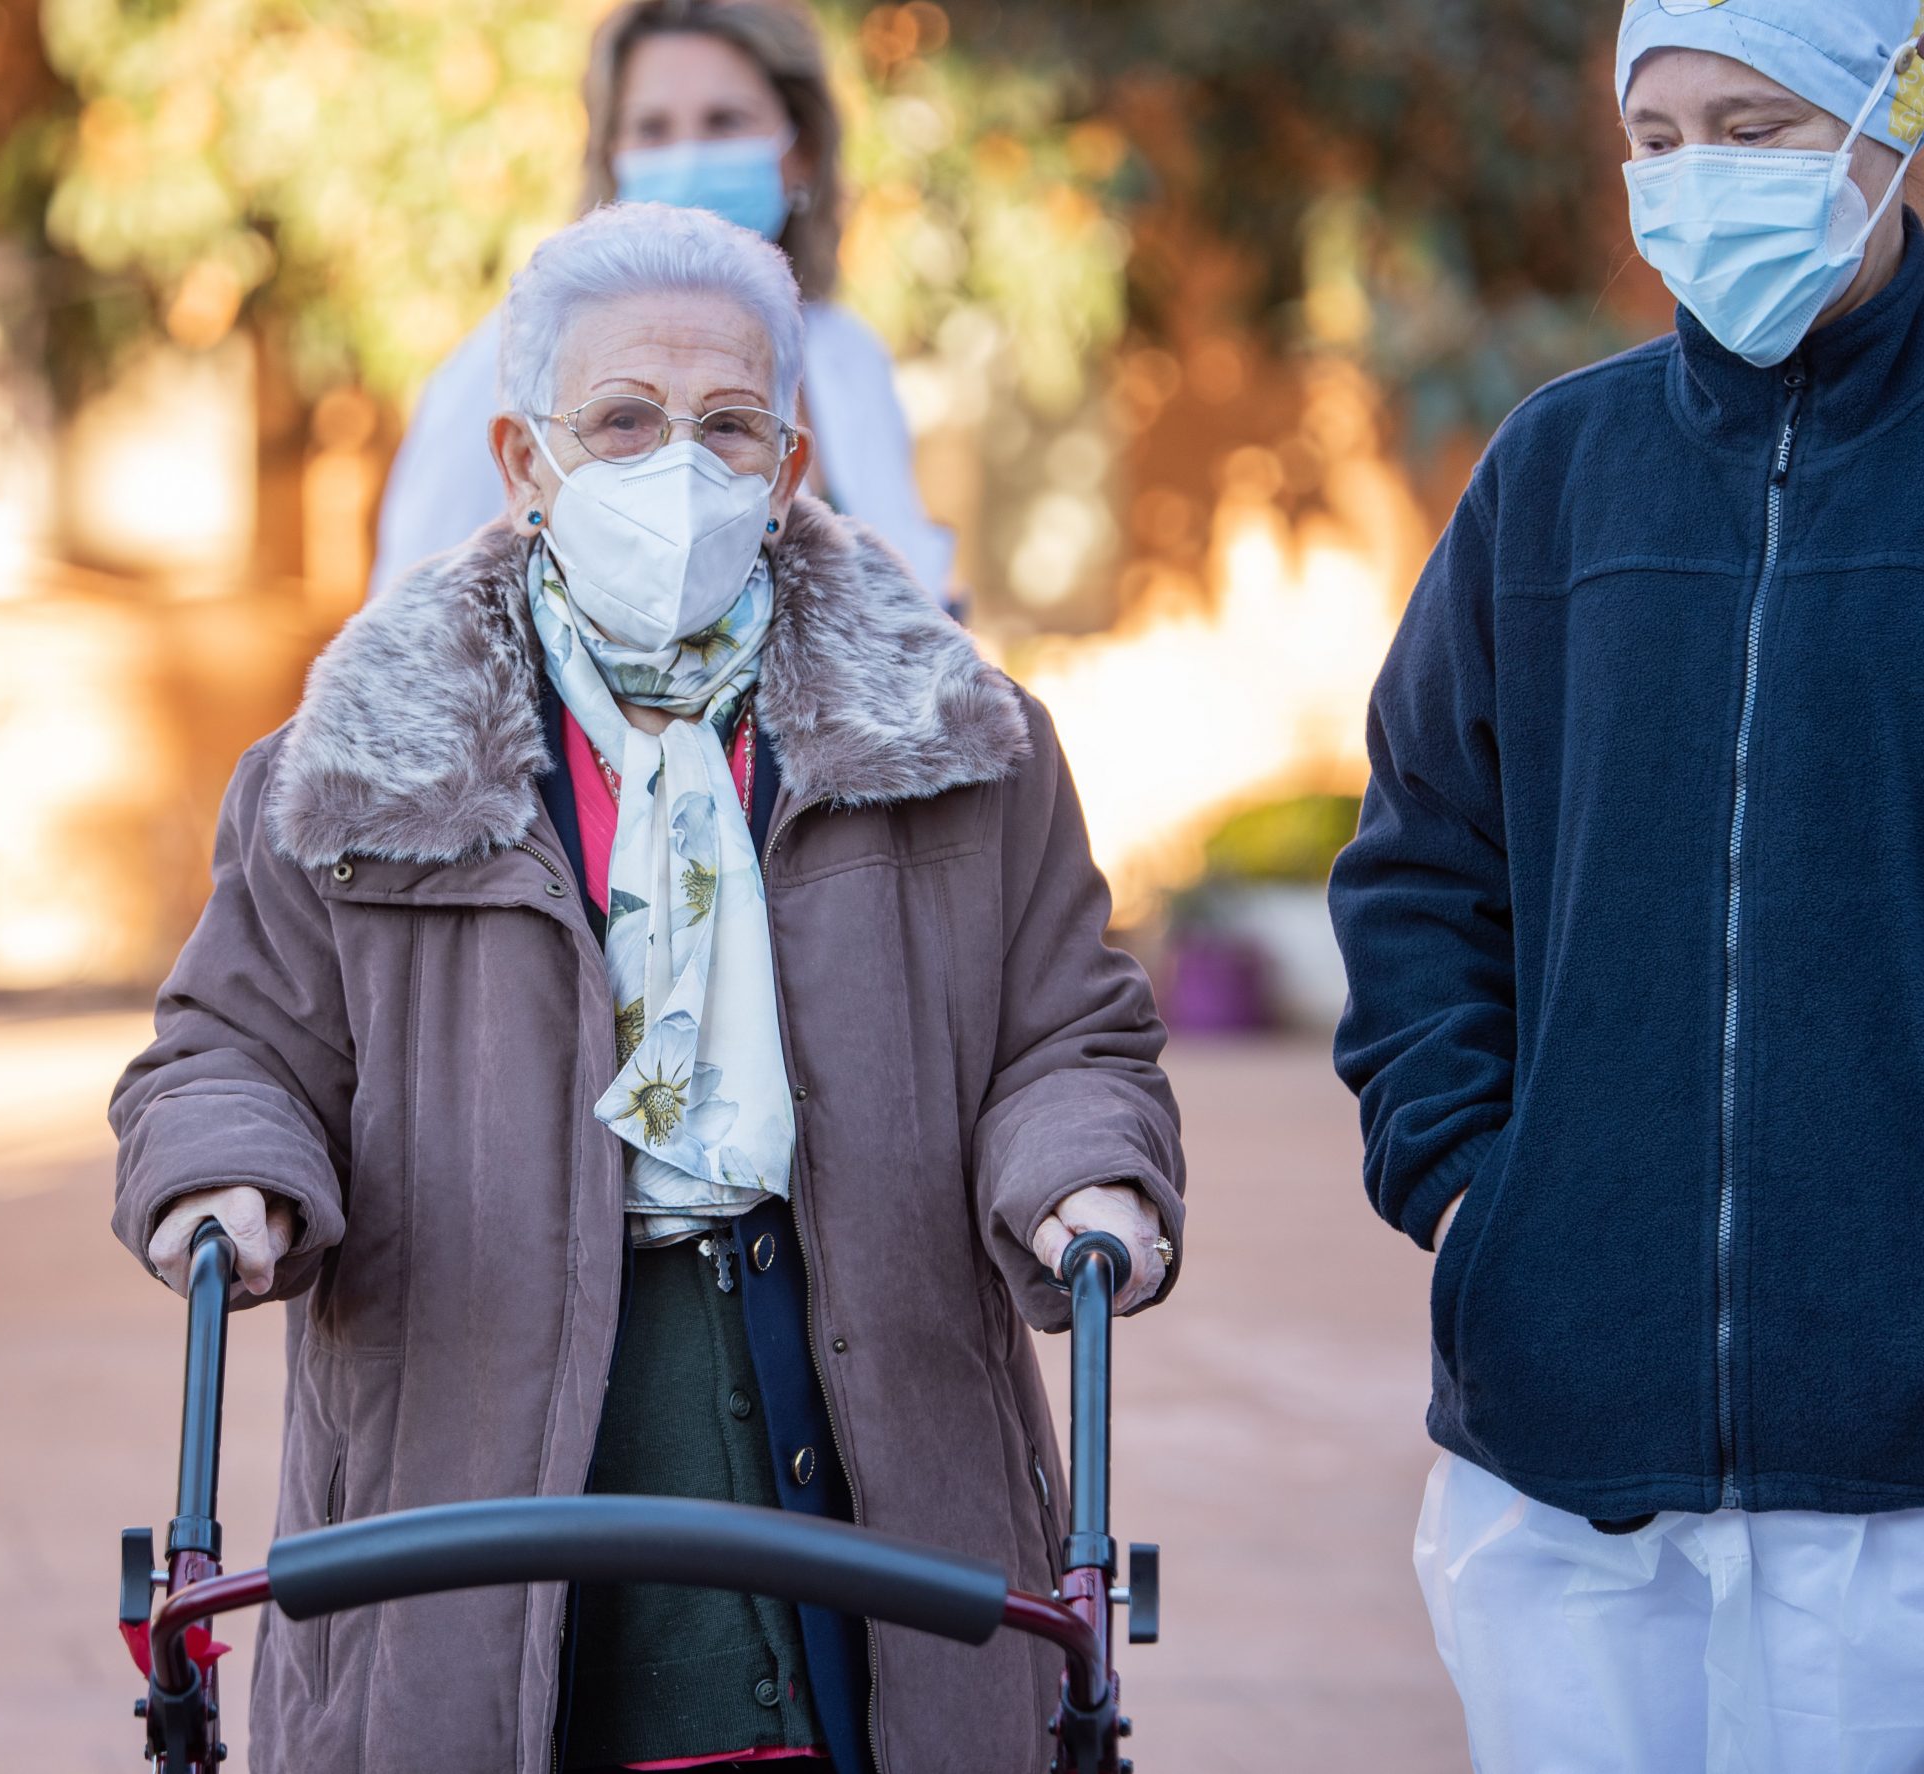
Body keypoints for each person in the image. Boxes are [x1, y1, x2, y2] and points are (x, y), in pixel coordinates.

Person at [112, 201, 1181, 1772]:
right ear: (525, 461)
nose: (676, 464)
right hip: (472, 1459)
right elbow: (226, 1044)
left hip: (865, 1442)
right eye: (621, 419)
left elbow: (1067, 1027)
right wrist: (229, 1172)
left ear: (790, 467)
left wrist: (1085, 1164)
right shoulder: (354, 765)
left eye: (728, 424)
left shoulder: (961, 747)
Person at [1330, 2, 1924, 1768]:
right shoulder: (1554, 474)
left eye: (1759, 126)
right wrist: (1480, 1193)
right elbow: (1420, 855)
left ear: (1901, 109)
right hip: (1561, 1464)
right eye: (1660, 132)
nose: (1698, 176)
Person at [369, 0, 957, 608]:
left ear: (801, 151)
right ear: (612, 158)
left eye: (724, 121)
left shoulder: (849, 357)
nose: (687, 155)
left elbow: (915, 604)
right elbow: (408, 628)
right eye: (652, 129)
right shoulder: (501, 369)